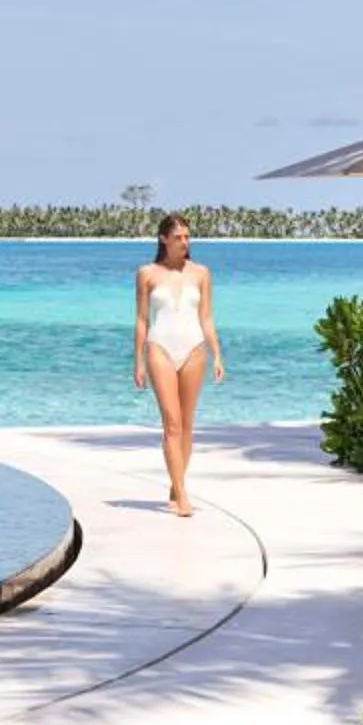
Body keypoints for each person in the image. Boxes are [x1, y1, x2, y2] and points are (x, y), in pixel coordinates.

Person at [133, 213, 222, 516]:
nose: (185, 242)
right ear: (163, 239)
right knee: (171, 424)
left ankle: (176, 482)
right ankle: (182, 495)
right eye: (179, 237)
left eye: (187, 237)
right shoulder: (147, 273)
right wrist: (138, 362)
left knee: (186, 424)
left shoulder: (201, 273)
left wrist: (217, 354)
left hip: (195, 349)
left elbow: (207, 318)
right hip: (159, 348)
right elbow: (142, 320)